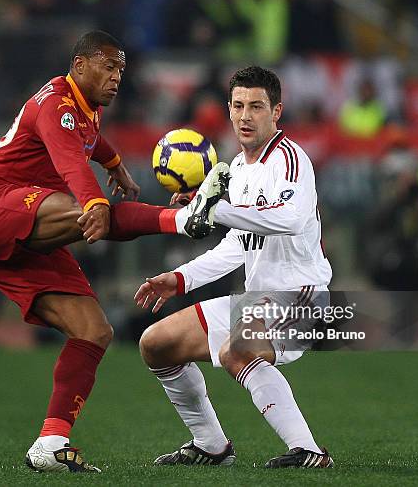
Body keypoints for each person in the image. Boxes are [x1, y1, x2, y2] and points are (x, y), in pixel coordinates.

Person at [0, 30, 227, 473]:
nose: (117, 76)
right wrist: (96, 200)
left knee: (94, 330)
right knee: (86, 212)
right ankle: (183, 220)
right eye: (108, 66)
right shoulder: (56, 106)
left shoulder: (88, 110)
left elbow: (91, 143)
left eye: (121, 68)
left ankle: (50, 442)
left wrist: (116, 164)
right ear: (80, 65)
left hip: (29, 232)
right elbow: (70, 161)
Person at [135, 66, 334, 469]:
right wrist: (180, 279)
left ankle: (310, 451)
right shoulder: (236, 170)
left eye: (257, 107)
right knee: (156, 344)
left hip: (300, 297)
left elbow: (290, 219)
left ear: (277, 112)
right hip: (256, 301)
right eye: (239, 106)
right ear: (228, 110)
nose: (246, 116)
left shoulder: (290, 160)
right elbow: (236, 246)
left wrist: (218, 208)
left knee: (237, 351)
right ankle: (210, 445)